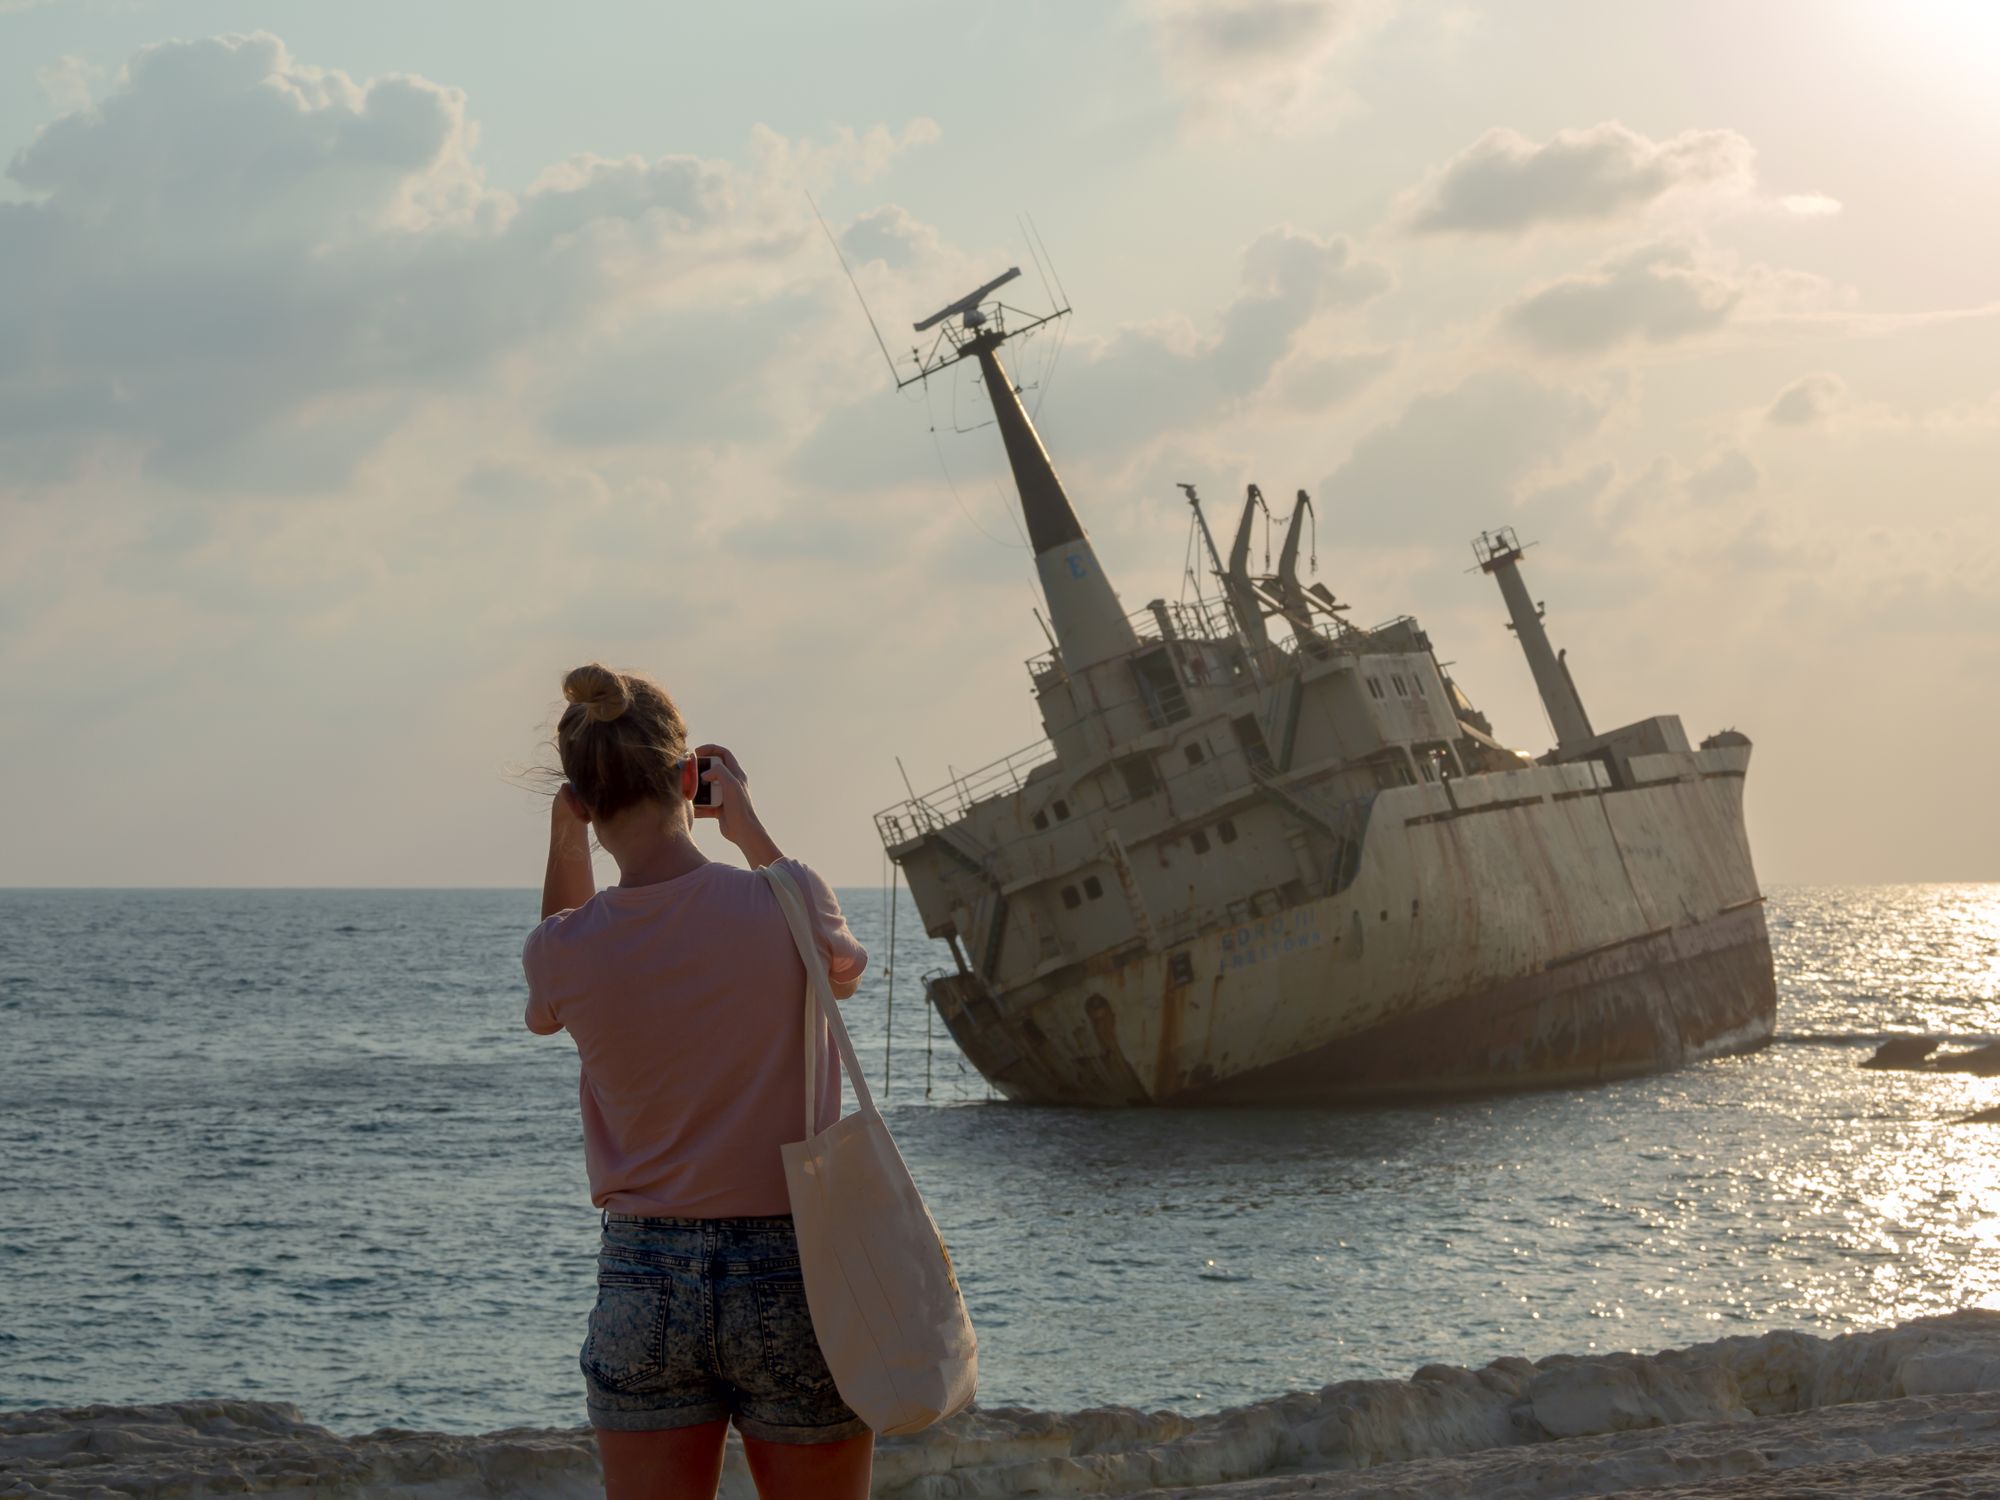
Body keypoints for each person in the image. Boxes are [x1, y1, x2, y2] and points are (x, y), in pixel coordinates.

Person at [522, 662, 875, 1500]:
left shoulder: (564, 949)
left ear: (579, 796)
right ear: (690, 778)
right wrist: (747, 825)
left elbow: (551, 983)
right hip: (795, 1266)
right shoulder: (787, 899)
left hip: (644, 1273)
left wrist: (564, 840)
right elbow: (843, 970)